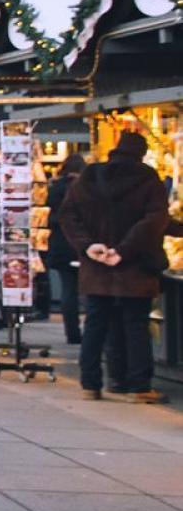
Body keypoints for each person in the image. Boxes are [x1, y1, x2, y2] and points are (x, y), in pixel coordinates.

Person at [59, 131, 179, 403]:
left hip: (96, 267)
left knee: (96, 324)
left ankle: (91, 383)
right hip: (136, 268)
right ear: (141, 153)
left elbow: (68, 215)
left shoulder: (89, 176)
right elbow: (154, 220)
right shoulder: (148, 179)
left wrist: (89, 246)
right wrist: (124, 250)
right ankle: (139, 386)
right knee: (136, 325)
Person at [42, 156, 85, 348]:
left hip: (60, 244)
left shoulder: (54, 188)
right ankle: (88, 331)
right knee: (87, 289)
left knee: (69, 289)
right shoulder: (84, 188)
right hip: (81, 244)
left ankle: (72, 331)